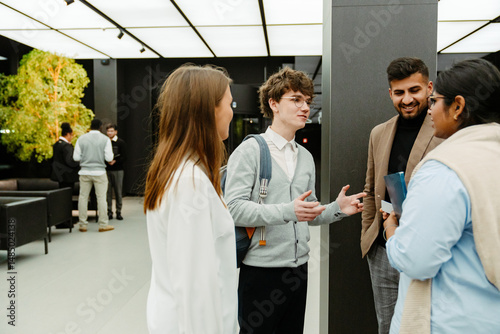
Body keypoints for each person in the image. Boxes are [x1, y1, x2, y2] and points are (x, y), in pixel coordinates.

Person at [224, 67, 365, 334]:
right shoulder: (250, 150)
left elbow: (305, 212)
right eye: (296, 99)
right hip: (261, 270)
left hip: (297, 270)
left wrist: (337, 209)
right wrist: (288, 210)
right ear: (273, 103)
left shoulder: (305, 157)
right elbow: (234, 208)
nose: (305, 107)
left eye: (308, 102)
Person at [383, 58, 500, 333]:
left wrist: (392, 231)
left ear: (457, 106)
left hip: (448, 320)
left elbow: (416, 260)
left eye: (434, 100)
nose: (431, 110)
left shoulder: (443, 169)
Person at [143, 64, 238, 334]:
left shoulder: (180, 172)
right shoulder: (190, 183)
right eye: (229, 104)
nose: (232, 112)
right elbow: (194, 289)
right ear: (209, 110)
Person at [360, 57, 443, 334]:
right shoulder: (379, 133)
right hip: (383, 251)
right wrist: (369, 238)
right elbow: (371, 188)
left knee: (422, 327)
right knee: (386, 326)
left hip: (426, 250)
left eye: (414, 90)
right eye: (399, 92)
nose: (407, 99)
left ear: (429, 88)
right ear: (390, 94)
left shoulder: (446, 132)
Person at [73, 118, 114, 232]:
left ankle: (82, 225)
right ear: (101, 127)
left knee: (83, 197)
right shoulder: (105, 139)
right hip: (100, 172)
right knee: (101, 198)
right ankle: (103, 224)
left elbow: (75, 157)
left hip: (85, 172)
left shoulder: (81, 138)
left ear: (90, 126)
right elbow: (109, 158)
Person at [105, 123, 126, 221]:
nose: (109, 133)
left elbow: (124, 156)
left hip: (118, 170)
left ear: (116, 132)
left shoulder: (120, 142)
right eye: (108, 131)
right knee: (107, 193)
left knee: (118, 192)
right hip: (107, 170)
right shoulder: (104, 142)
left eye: (111, 131)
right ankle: (109, 212)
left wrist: (115, 161)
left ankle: (119, 212)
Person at [51, 122, 79, 190]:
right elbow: (70, 161)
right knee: (68, 195)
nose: (71, 137)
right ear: (68, 134)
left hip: (59, 174)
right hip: (68, 176)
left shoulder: (56, 144)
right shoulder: (66, 146)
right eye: (71, 135)